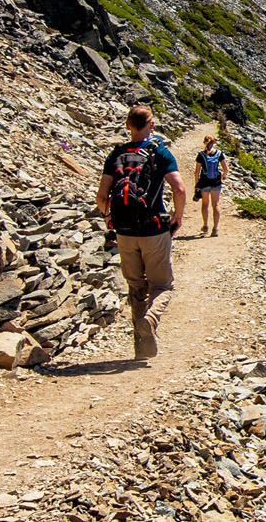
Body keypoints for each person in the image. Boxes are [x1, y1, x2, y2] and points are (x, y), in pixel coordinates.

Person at [97, 104, 185, 360]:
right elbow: (179, 189)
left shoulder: (116, 154)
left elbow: (102, 196)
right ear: (151, 125)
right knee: (163, 285)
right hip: (154, 228)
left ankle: (142, 347)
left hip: (124, 231)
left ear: (128, 125)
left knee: (136, 287)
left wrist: (109, 218)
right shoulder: (160, 152)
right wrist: (178, 217)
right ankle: (151, 318)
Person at [193, 136, 229, 236]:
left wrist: (196, 184)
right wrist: (223, 177)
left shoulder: (201, 155)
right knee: (215, 205)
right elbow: (226, 169)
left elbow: (196, 172)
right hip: (216, 182)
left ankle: (205, 226)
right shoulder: (219, 153)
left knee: (205, 204)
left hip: (204, 182)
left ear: (204, 142)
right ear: (214, 143)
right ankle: (215, 229)